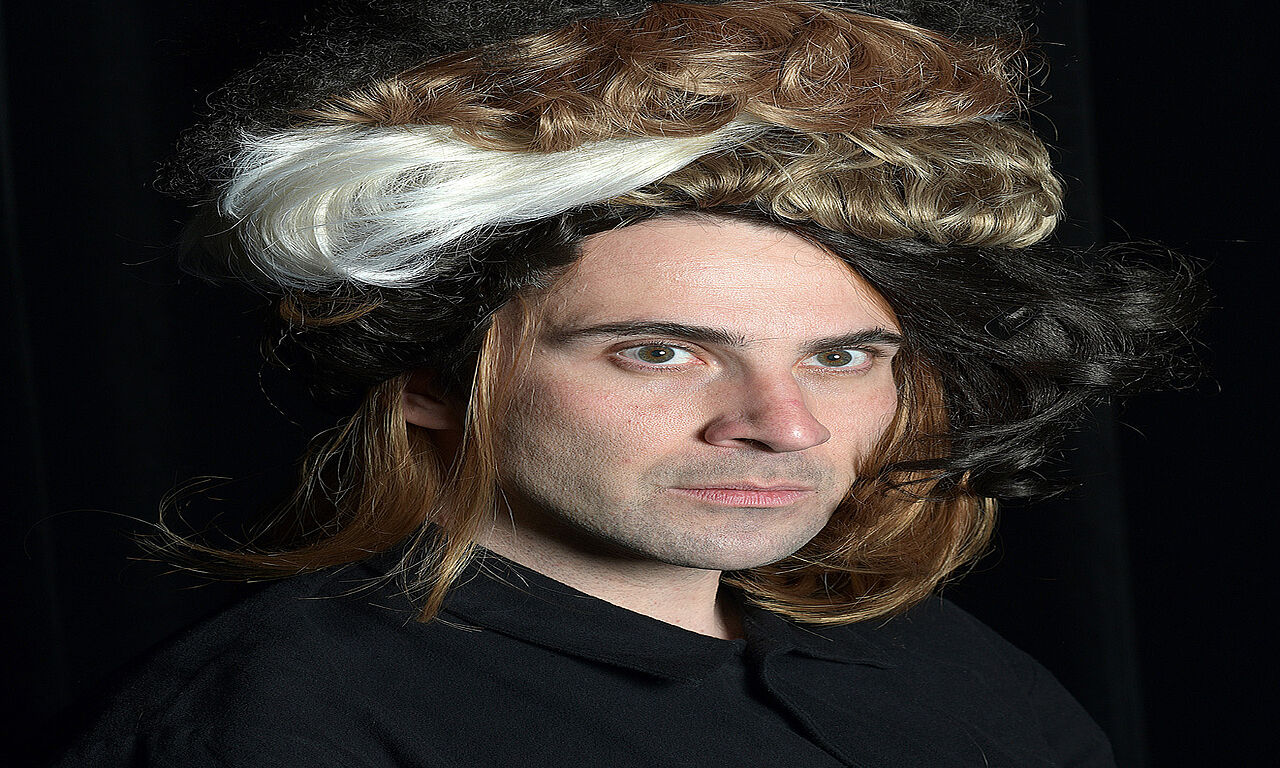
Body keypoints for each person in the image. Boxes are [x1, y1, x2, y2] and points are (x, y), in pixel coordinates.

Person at [54, 1, 1203, 766]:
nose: (783, 426)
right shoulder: (273, 724)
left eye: (839, 356)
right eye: (661, 351)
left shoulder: (947, 671)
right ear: (424, 378)